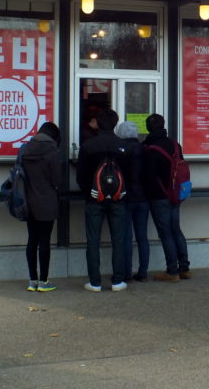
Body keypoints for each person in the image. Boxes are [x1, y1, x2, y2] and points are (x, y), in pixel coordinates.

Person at [76, 108, 129, 292]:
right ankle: (117, 281)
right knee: (119, 239)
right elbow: (130, 174)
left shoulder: (89, 145)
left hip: (94, 200)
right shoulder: (124, 146)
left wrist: (89, 192)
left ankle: (95, 282)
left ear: (97, 123)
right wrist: (123, 192)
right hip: (118, 200)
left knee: (93, 240)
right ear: (115, 123)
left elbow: (81, 175)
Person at [143, 113, 191, 282]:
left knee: (165, 233)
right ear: (163, 126)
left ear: (148, 128)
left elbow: (148, 176)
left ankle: (172, 271)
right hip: (175, 195)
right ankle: (185, 268)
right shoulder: (175, 145)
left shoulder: (151, 149)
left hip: (159, 196)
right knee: (176, 229)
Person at [21, 121, 63, 292]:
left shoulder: (25, 149)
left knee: (32, 239)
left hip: (28, 200)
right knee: (44, 240)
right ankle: (44, 281)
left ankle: (32, 280)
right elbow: (57, 181)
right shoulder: (53, 152)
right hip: (47, 201)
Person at [115, 120, 150, 282]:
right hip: (143, 197)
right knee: (142, 236)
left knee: (126, 237)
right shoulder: (146, 150)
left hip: (126, 197)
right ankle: (143, 271)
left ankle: (126, 272)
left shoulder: (120, 151)